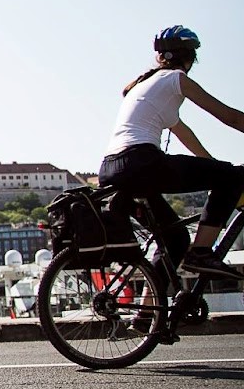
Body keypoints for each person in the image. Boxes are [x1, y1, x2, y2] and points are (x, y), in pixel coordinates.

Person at [99, 26, 244, 279]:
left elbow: (184, 134)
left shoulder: (145, 86)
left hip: (112, 170)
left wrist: (214, 169)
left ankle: (147, 315)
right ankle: (201, 252)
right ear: (190, 59)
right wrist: (223, 174)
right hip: (140, 162)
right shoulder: (176, 79)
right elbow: (230, 117)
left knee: (175, 240)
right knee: (235, 176)